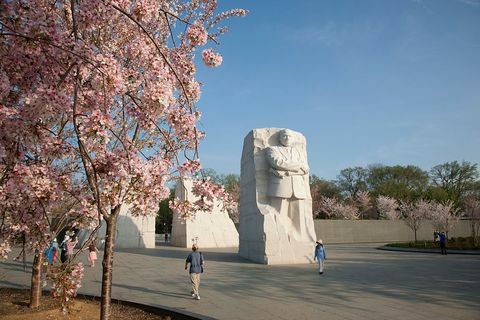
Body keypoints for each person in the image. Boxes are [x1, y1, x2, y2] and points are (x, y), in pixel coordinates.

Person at [266, 129, 315, 242]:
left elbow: (306, 169)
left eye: (289, 136)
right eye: (284, 136)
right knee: (278, 215)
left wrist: (287, 171)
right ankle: (279, 240)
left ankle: (301, 240)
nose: (287, 138)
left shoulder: (299, 152)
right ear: (279, 138)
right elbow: (277, 163)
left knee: (299, 218)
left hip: (298, 187)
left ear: (293, 139)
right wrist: (298, 167)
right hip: (280, 187)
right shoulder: (272, 149)